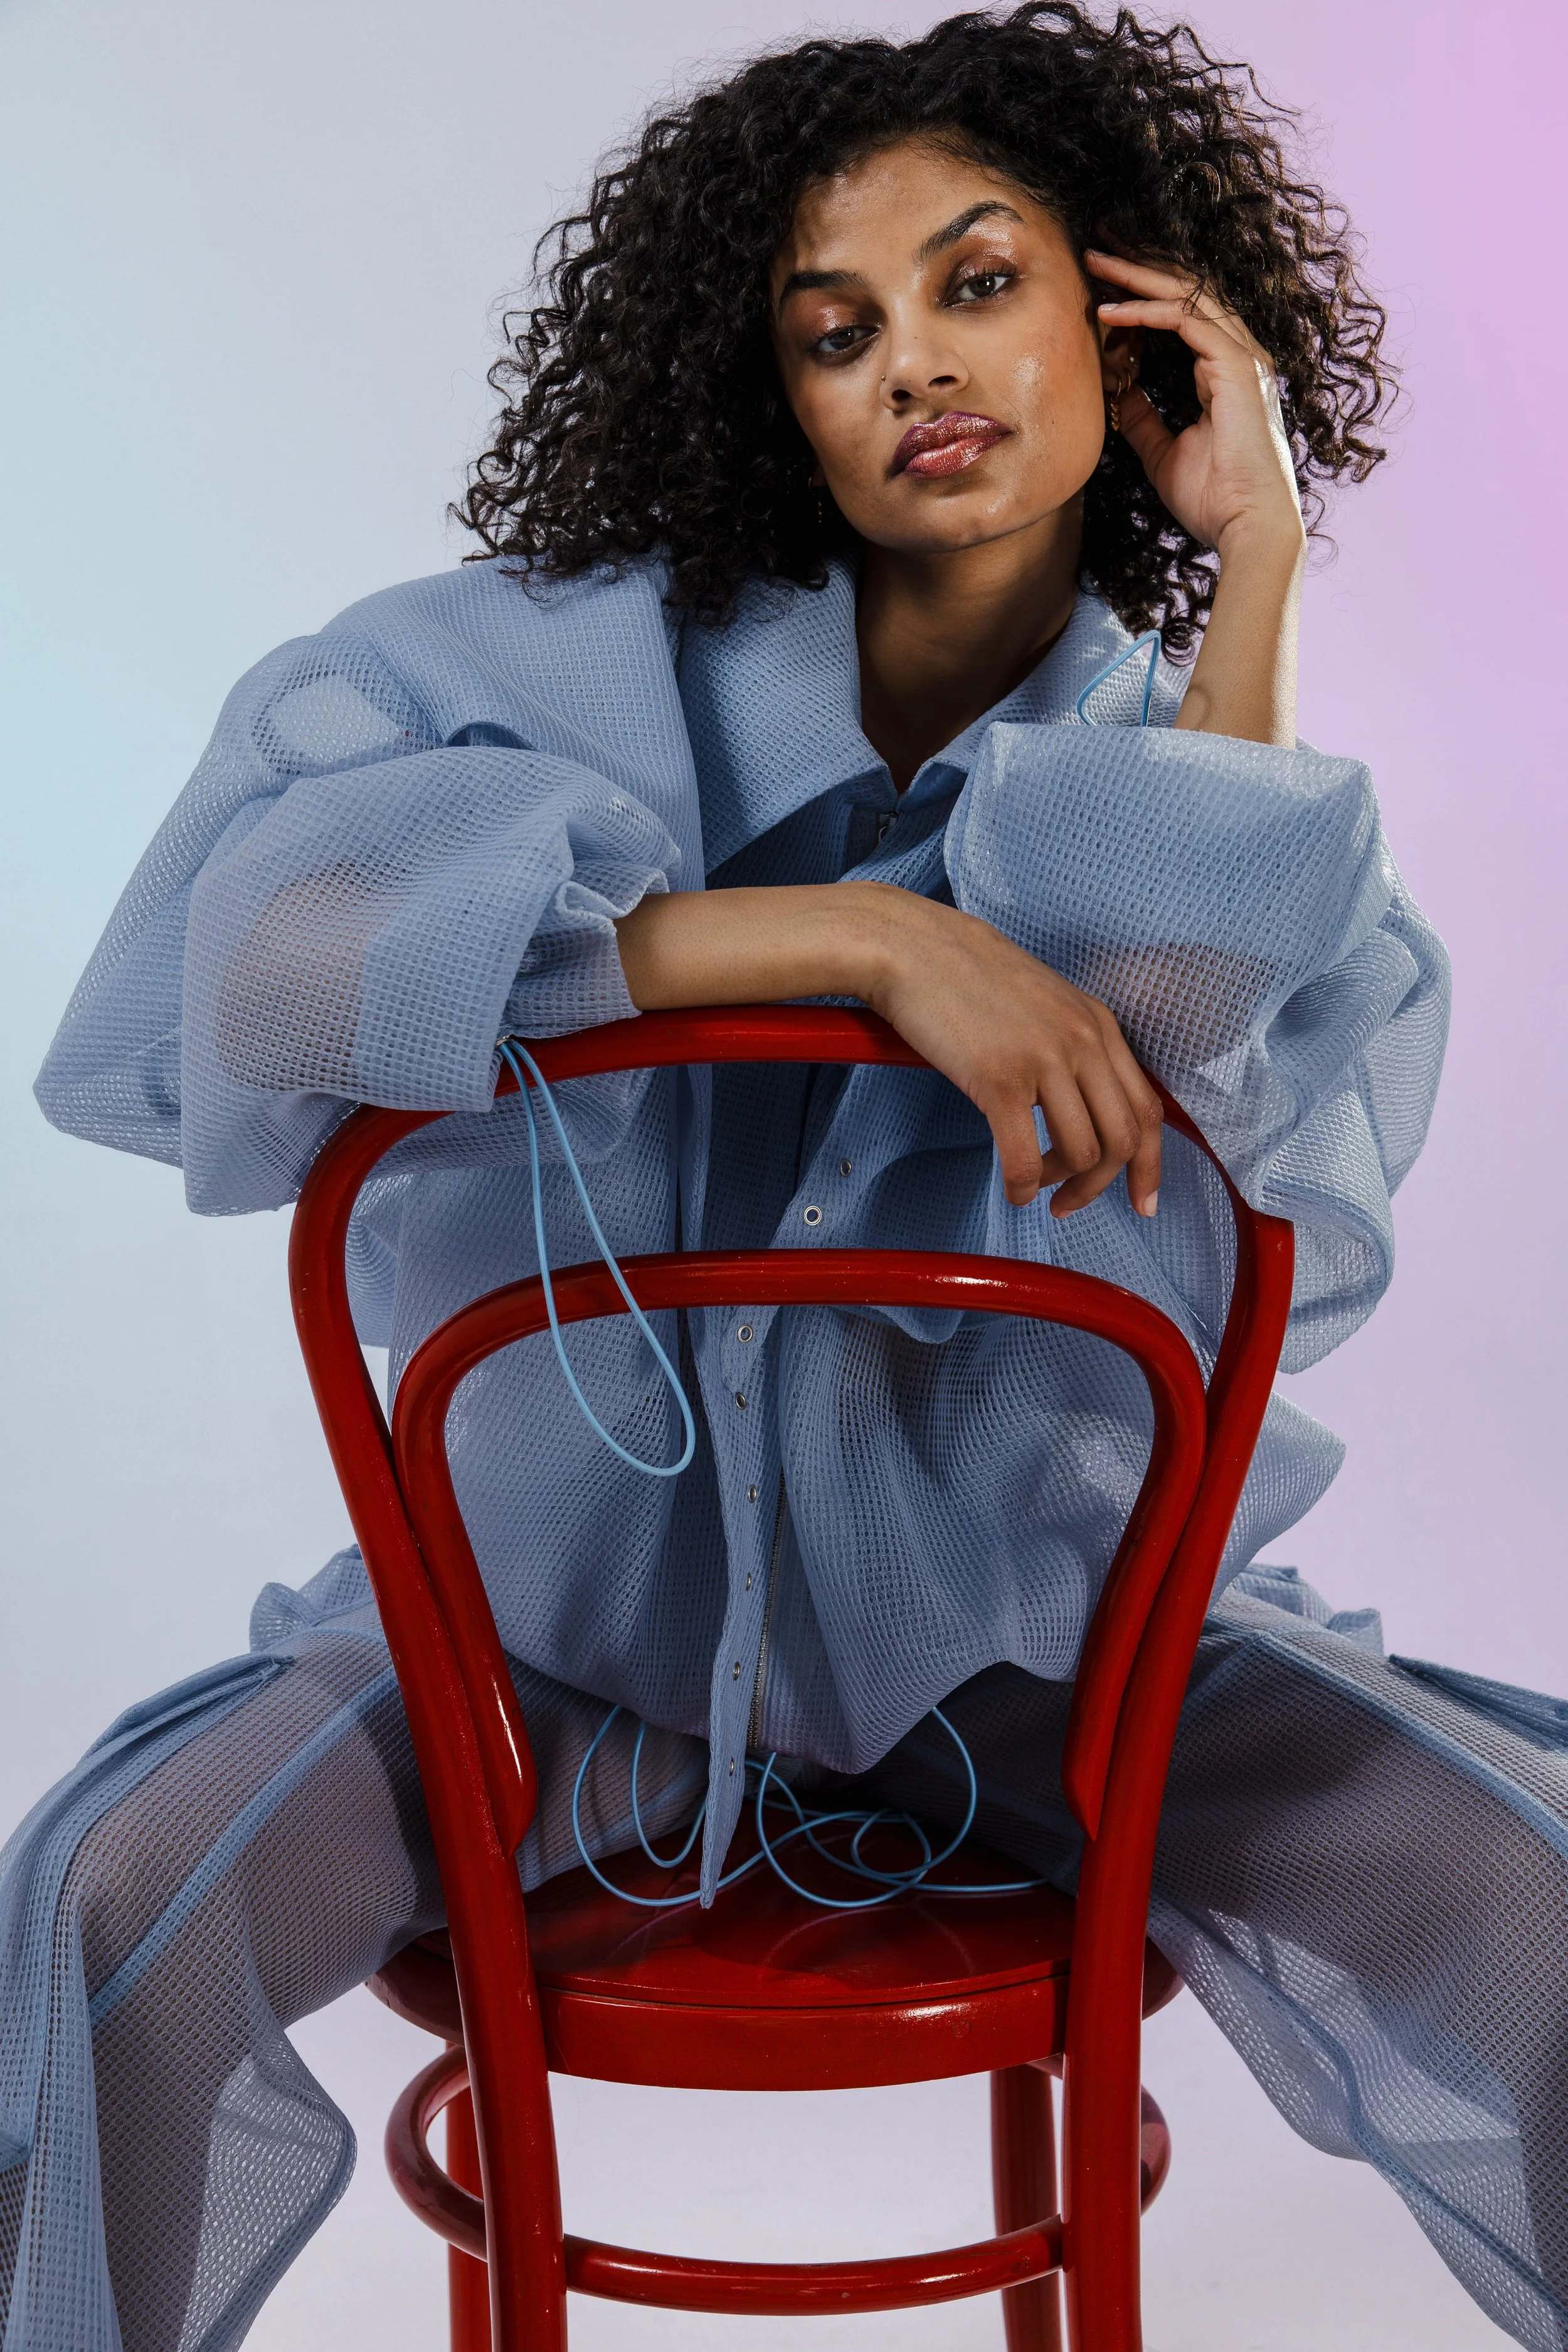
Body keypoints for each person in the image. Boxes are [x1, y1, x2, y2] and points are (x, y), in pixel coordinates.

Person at [8, 7, 1563, 2348]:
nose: (915, 368)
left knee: (1535, 1899)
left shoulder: (1171, 756)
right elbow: (270, 965)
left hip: (1032, 1666)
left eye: (978, 283)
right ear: (771, 399)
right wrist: (860, 936)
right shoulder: (559, 673)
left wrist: (1254, 564)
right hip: (538, 1653)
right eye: (832, 332)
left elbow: (1178, 983)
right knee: (110, 1916)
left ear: (1117, 319)